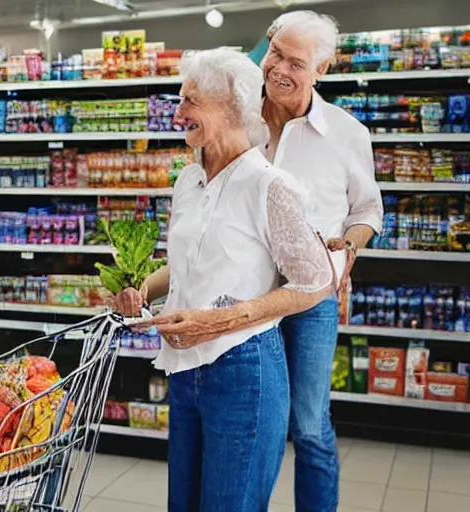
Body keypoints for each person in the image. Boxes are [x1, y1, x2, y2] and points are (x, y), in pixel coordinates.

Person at [117, 48, 334, 511]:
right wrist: (143, 289)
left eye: (190, 101)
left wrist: (225, 319)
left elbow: (316, 280)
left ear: (231, 107)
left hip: (244, 369)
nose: (178, 114)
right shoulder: (189, 181)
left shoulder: (269, 185)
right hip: (184, 369)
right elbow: (190, 263)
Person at [260, 11, 384, 511]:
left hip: (311, 299)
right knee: (253, 425)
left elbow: (368, 209)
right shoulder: (239, 120)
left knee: (308, 425)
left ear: (323, 69)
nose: (279, 69)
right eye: (275, 53)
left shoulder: (347, 133)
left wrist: (349, 246)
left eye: (297, 62)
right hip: (240, 296)